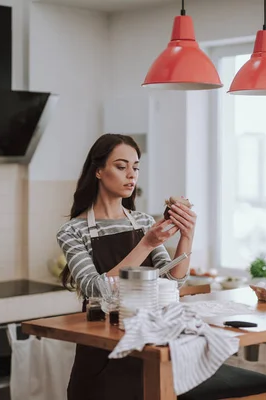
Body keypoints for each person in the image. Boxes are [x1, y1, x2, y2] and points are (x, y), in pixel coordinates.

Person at [57, 133, 196, 400]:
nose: (131, 175)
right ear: (98, 171)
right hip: (101, 345)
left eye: (135, 168)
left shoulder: (142, 221)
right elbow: (95, 289)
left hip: (147, 341)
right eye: (121, 167)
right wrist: (146, 243)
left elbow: (172, 281)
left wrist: (187, 236)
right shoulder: (72, 230)